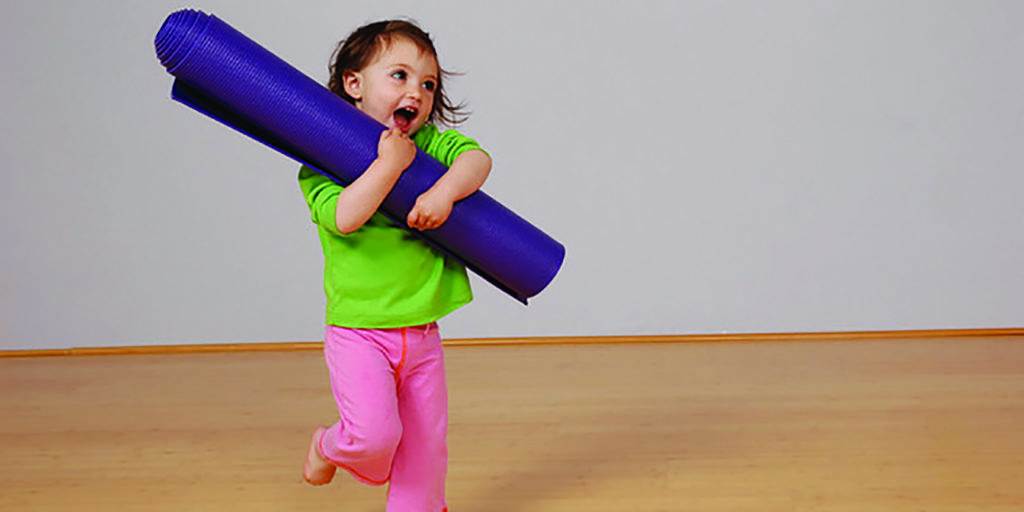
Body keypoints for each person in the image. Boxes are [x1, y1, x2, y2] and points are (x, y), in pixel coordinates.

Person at [298, 19, 491, 512]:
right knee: (373, 438)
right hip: (360, 333)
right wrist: (389, 165)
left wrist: (444, 191)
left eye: (428, 84)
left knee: (426, 449)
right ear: (354, 84)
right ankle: (328, 445)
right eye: (399, 76)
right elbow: (345, 216)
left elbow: (477, 160)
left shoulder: (429, 146)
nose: (417, 92)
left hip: (421, 332)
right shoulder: (322, 158)